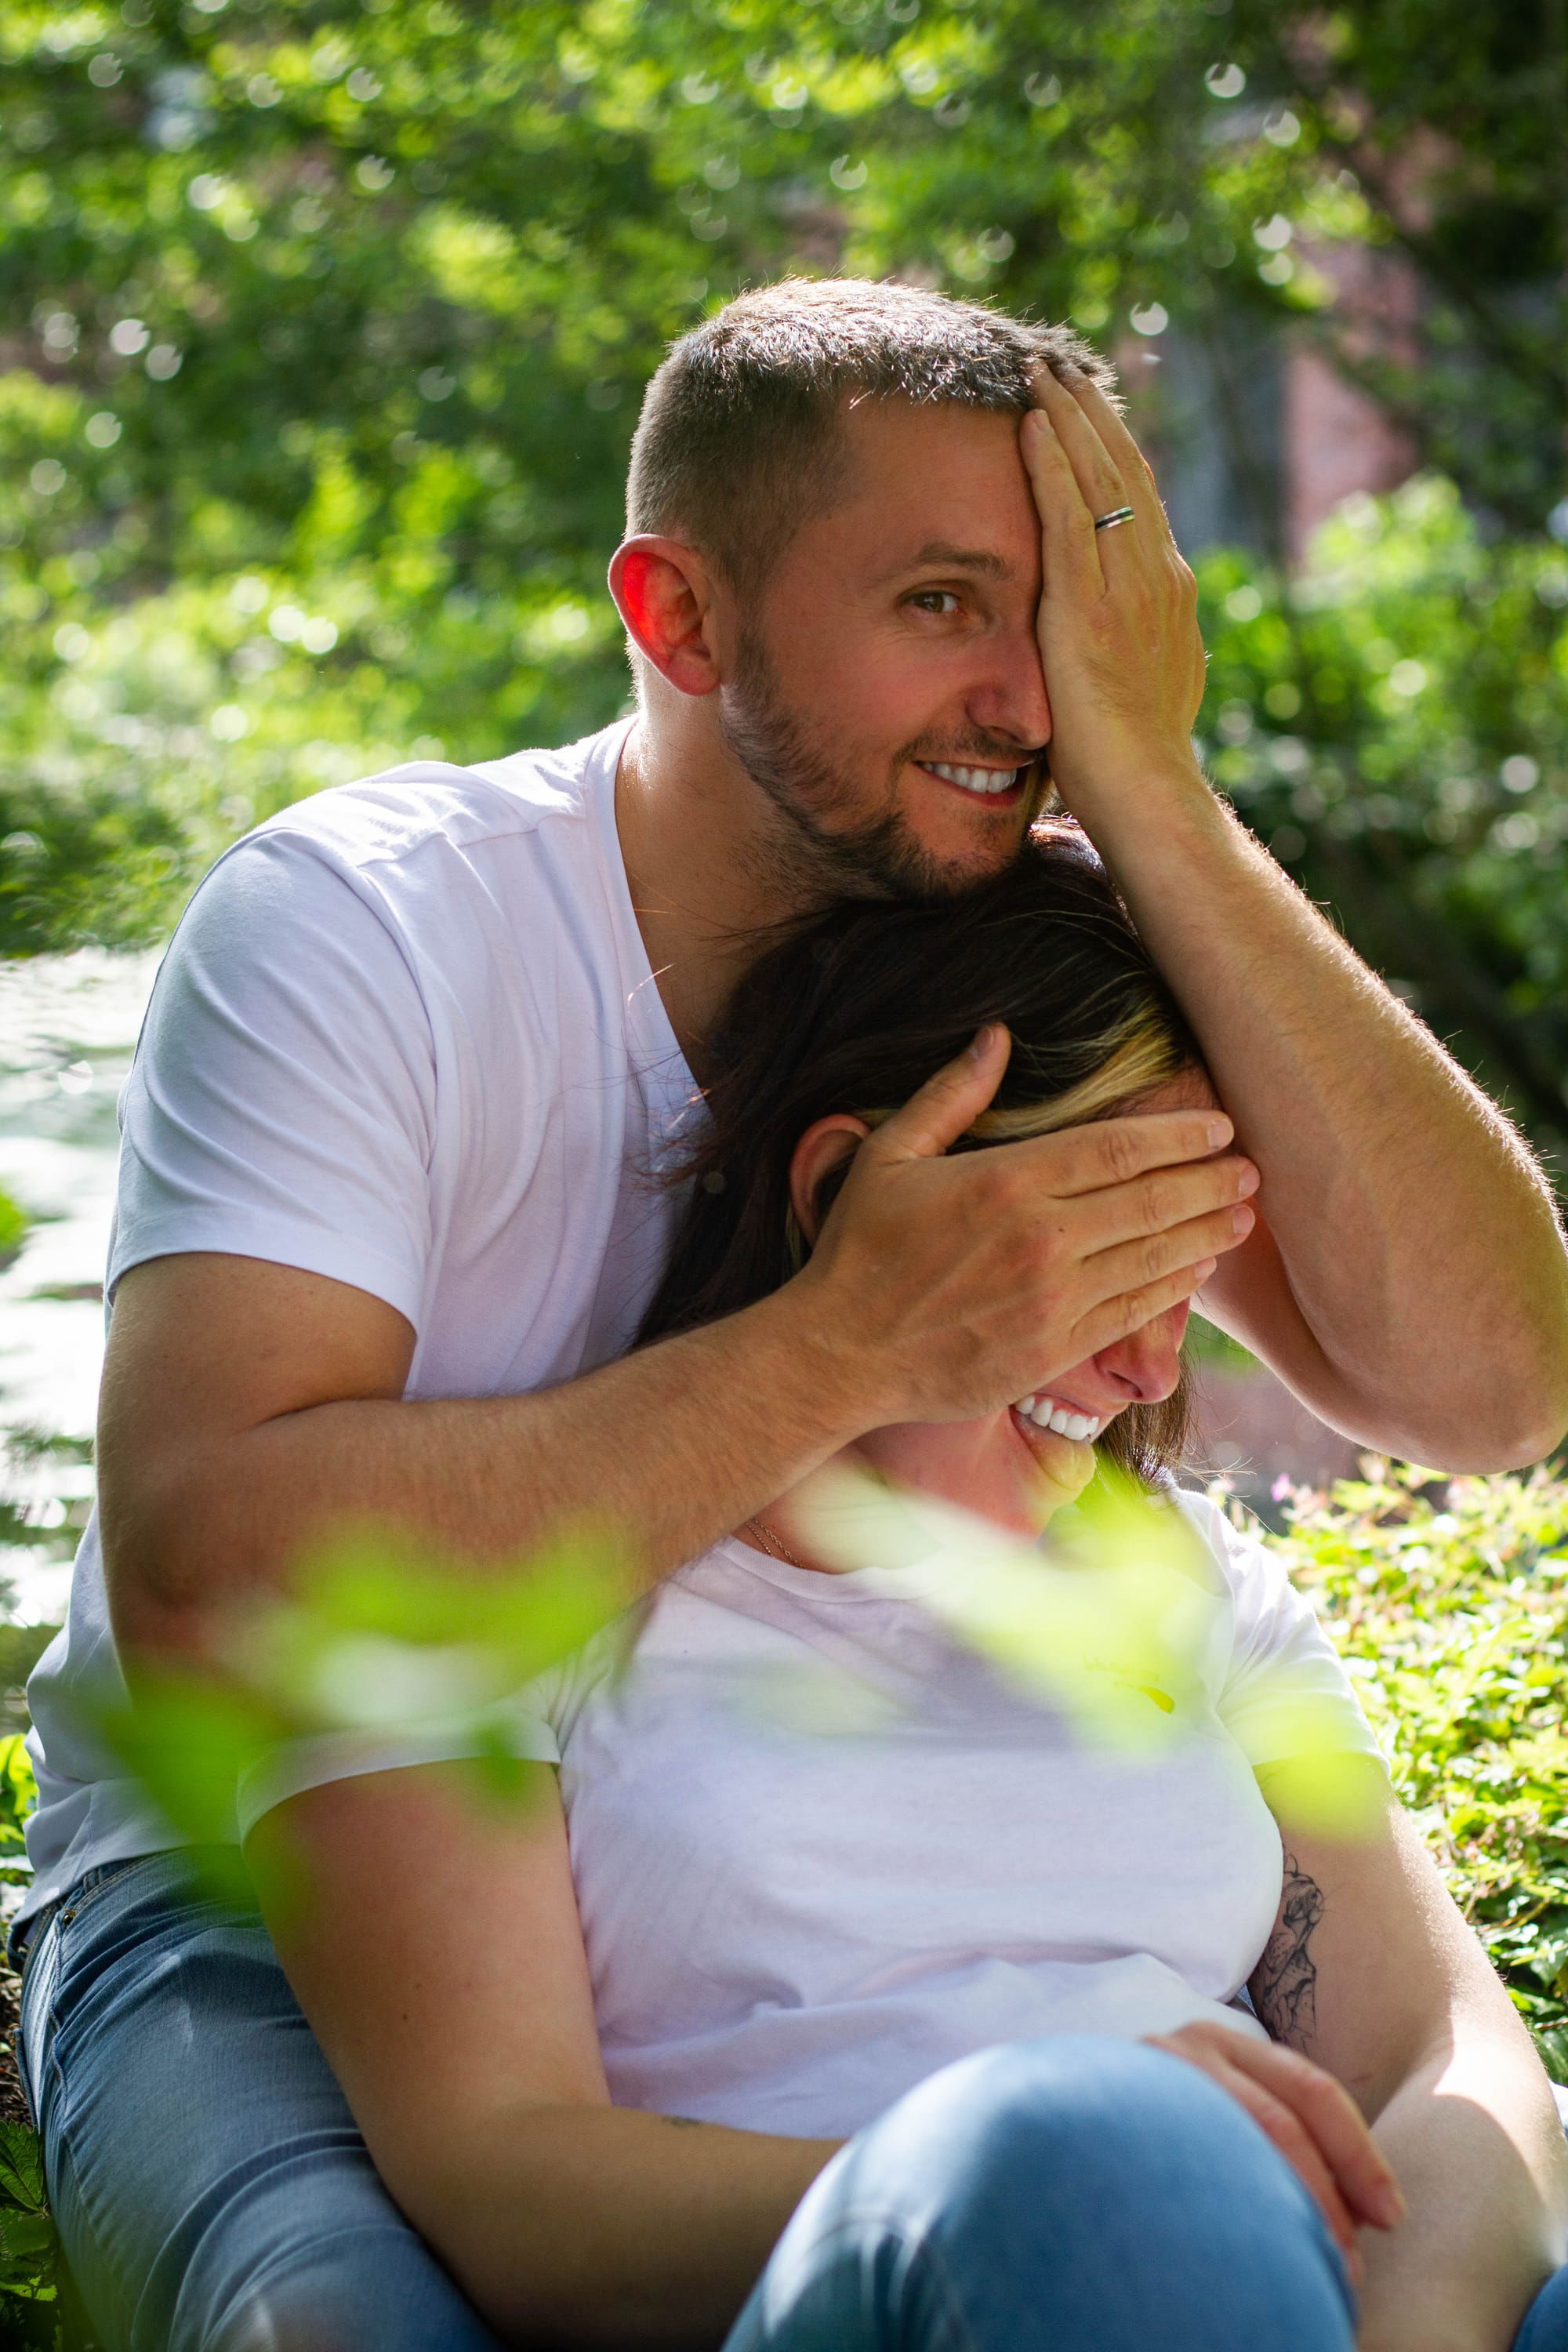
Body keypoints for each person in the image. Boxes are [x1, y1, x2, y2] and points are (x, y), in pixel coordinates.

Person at [11, 278, 1568, 2347]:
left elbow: (1489, 1385)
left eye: (1068, 611)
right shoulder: (374, 928)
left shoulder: (1021, 951)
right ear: (681, 622)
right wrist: (851, 1342)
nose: (1025, 691)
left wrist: (1157, 781)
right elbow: (222, 1587)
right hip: (251, 1884)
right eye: (943, 601)